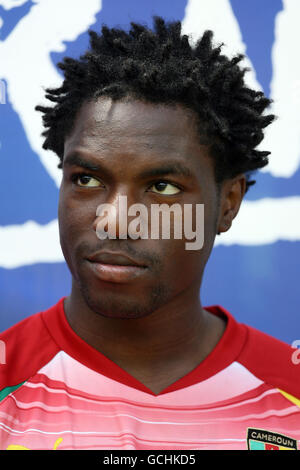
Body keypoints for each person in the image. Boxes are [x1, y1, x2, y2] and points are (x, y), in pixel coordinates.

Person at [0, 17, 299, 451]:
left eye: (162, 187)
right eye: (87, 179)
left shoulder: (288, 394)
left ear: (229, 202)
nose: (115, 220)